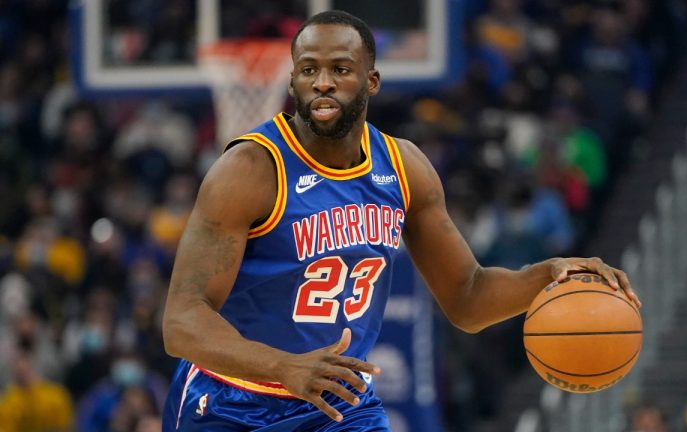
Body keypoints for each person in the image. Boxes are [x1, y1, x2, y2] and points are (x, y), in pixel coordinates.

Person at [161, 10, 641, 431]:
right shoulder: (250, 170)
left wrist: (545, 275)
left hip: (339, 403)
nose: (322, 82)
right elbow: (182, 321)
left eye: (340, 69)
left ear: (371, 81)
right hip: (230, 402)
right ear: (292, 82)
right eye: (308, 70)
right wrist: (284, 367)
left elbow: (468, 298)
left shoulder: (403, 167)